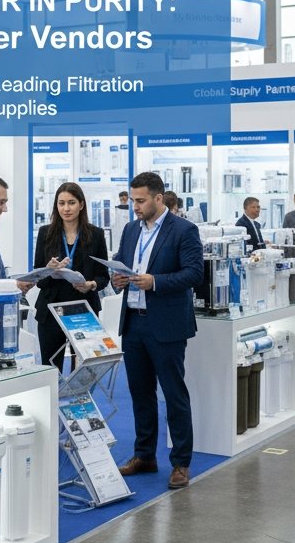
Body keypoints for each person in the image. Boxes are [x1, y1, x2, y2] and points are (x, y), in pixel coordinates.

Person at [110, 172, 204, 490]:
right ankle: (145, 455)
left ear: (158, 199)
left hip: (166, 324)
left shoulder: (184, 230)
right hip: (133, 321)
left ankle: (180, 462)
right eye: (132, 200)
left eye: (140, 200)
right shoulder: (130, 230)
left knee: (173, 394)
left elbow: (194, 273)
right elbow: (121, 263)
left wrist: (156, 282)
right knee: (140, 392)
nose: (134, 206)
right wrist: (117, 279)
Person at [32, 182, 110, 368]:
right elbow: (38, 278)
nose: (66, 208)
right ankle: (53, 398)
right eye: (61, 203)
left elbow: (103, 277)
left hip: (83, 309)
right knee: (51, 367)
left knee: (84, 367)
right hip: (51, 309)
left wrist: (91, 284)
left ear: (81, 205)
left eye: (71, 203)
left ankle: (80, 397)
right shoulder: (45, 233)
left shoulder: (96, 235)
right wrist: (49, 270)